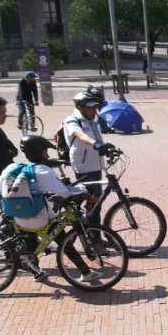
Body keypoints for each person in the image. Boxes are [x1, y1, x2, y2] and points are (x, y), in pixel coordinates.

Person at [0, 135, 99, 283]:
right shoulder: (42, 170)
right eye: (45, 152)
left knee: (46, 236)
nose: (47, 156)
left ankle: (34, 267)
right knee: (60, 233)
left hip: (17, 218)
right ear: (39, 152)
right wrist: (82, 189)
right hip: (38, 219)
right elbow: (65, 192)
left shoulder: (13, 168)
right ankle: (84, 271)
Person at [62, 90, 112, 235]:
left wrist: (105, 147)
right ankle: (92, 238)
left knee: (94, 203)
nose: (94, 110)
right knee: (93, 203)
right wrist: (95, 144)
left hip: (95, 165)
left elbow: (97, 137)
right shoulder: (72, 120)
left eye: (95, 107)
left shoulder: (92, 121)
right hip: (84, 166)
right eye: (91, 107)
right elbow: (80, 135)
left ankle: (93, 235)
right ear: (80, 107)